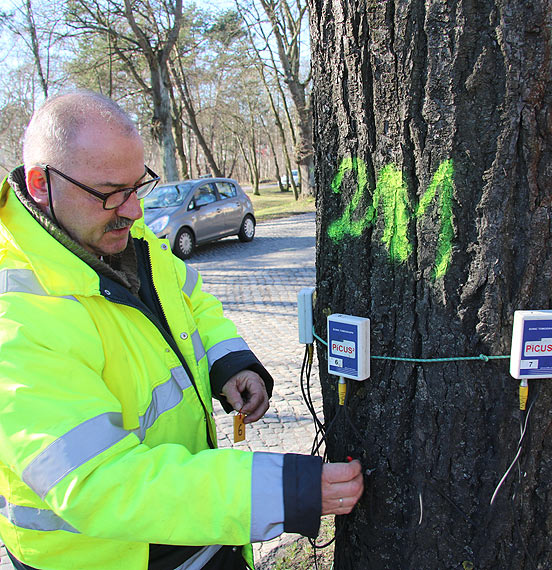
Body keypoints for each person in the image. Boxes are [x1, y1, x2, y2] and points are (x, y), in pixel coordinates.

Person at [0, 90, 363, 570]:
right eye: (110, 192)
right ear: (40, 184)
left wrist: (227, 362)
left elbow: (190, 301)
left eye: (138, 187)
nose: (132, 210)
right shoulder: (16, 319)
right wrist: (283, 489)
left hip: (199, 533)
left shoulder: (127, 237)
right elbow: (99, 484)